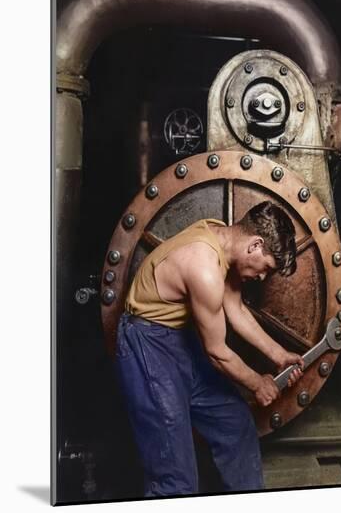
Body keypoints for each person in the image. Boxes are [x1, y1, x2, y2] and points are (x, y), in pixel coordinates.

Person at [114, 201, 304, 497]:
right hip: (147, 345)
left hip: (179, 341)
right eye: (266, 268)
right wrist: (258, 383)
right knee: (176, 478)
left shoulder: (219, 237)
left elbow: (235, 307)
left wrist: (279, 355)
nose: (263, 277)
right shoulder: (203, 268)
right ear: (255, 245)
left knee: (236, 424)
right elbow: (217, 352)